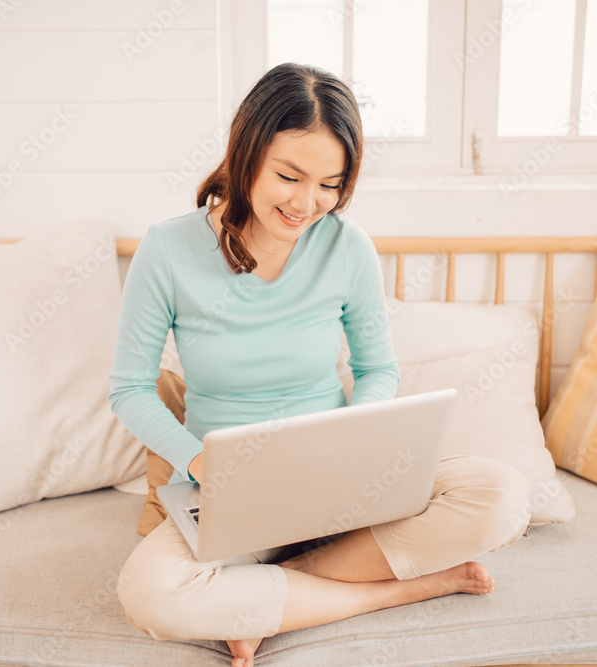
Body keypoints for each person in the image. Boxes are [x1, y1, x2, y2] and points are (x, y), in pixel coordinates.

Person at [108, 62, 531, 667]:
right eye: (289, 175)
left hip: (342, 482)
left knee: (502, 496)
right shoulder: (169, 249)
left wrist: (361, 438)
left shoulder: (346, 245)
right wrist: (202, 464)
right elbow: (128, 390)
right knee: (148, 594)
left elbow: (377, 369)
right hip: (229, 493)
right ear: (246, 152)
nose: (308, 204)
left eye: (330, 184)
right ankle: (403, 589)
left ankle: (268, 598)